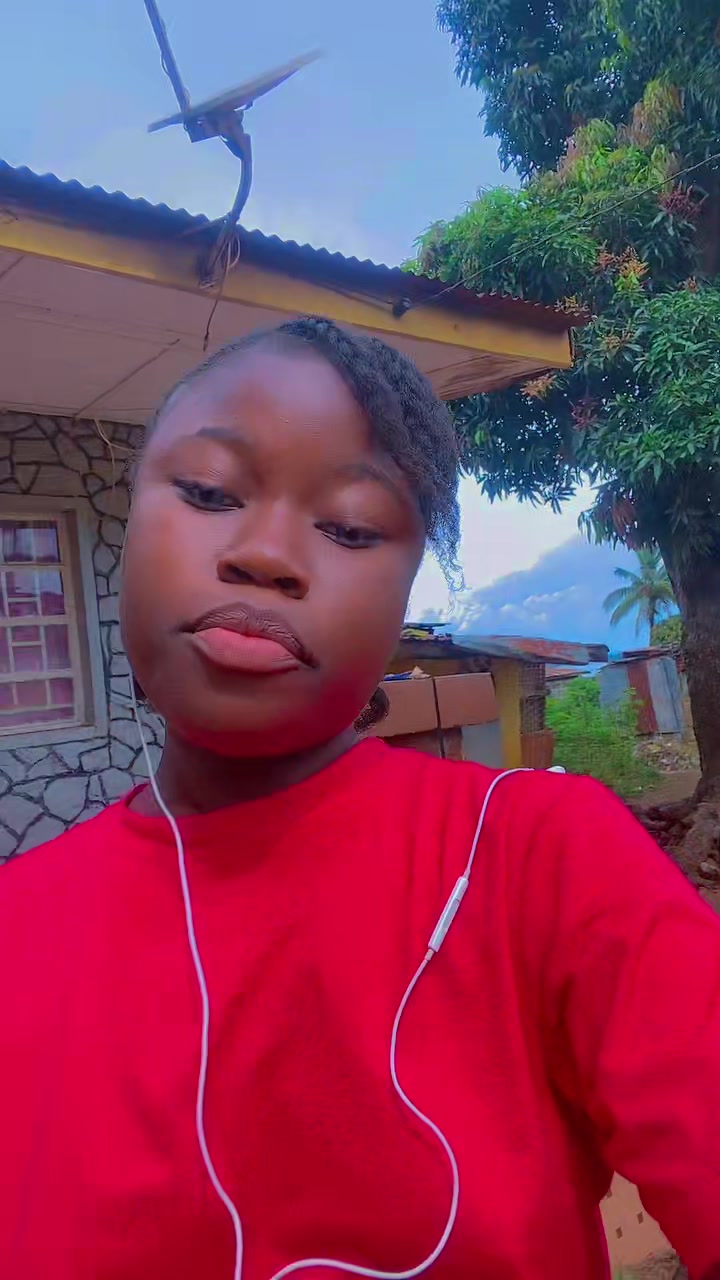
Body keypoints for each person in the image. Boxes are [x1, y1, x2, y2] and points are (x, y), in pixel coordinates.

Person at [1, 316, 719, 1280]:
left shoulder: (540, 860)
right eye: (209, 491)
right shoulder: (17, 924)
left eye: (347, 527)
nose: (266, 554)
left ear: (405, 590)